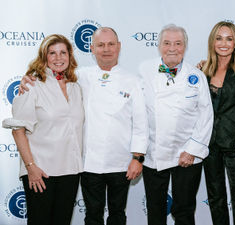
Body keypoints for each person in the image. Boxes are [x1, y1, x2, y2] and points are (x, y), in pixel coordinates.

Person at [19, 27, 149, 225]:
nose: (106, 49)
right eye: (100, 45)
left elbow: (141, 122)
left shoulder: (133, 81)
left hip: (121, 162)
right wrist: (26, 79)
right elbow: (49, 78)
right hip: (88, 164)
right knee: (92, 215)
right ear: (91, 48)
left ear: (119, 47)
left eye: (111, 44)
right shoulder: (78, 77)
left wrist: (137, 157)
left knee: (118, 214)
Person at [2, 34, 84, 225]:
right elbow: (18, 129)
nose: (58, 58)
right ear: (44, 57)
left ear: (70, 56)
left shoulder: (75, 87)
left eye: (63, 52)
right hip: (41, 172)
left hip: (70, 171)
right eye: (52, 53)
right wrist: (31, 168)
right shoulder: (32, 85)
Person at [138, 24, 213, 225]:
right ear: (159, 45)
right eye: (167, 43)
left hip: (187, 154)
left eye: (178, 43)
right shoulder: (145, 70)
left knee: (185, 211)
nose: (172, 48)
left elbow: (206, 115)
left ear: (185, 47)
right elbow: (138, 113)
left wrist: (192, 150)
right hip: (154, 152)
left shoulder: (196, 76)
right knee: (155, 210)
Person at [200, 21, 235, 225]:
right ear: (212, 42)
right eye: (219, 38)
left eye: (229, 38)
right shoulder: (202, 71)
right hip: (209, 143)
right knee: (215, 198)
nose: (223, 43)